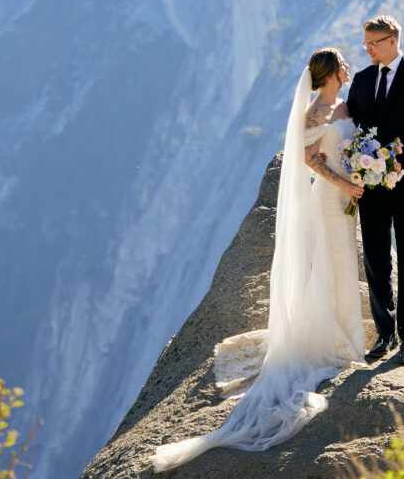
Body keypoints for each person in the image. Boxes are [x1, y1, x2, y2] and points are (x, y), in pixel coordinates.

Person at [151, 49, 365, 467]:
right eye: (342, 62)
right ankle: (333, 339)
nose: (348, 66)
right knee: (330, 264)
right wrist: (344, 182)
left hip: (348, 195)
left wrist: (364, 170)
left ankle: (345, 333)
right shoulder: (315, 112)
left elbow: (350, 145)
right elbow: (308, 159)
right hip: (329, 198)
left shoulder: (343, 105)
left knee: (344, 264)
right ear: (329, 72)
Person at [347, 14, 404, 368]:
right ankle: (384, 333)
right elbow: (353, 128)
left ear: (392, 40)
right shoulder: (362, 79)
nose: (368, 49)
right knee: (374, 258)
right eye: (365, 44)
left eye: (373, 43)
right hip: (370, 187)